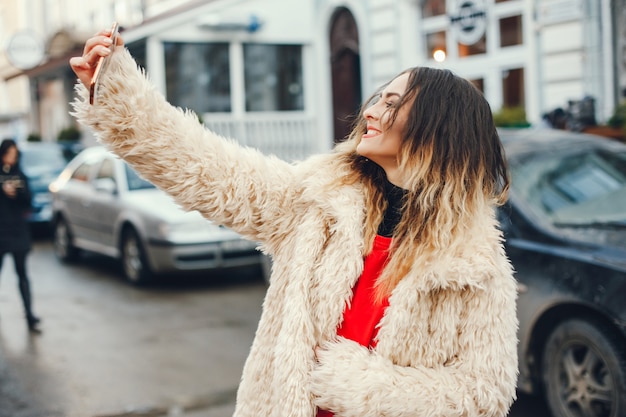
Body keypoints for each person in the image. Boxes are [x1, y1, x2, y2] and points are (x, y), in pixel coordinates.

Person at [70, 28, 518, 417]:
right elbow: (204, 168)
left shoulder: (474, 265)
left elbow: (484, 393)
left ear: (436, 129)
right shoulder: (317, 202)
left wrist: (365, 387)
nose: (372, 111)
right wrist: (115, 92)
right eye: (379, 97)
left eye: (393, 104)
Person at [0, 139, 41, 332]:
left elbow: (29, 202)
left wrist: (16, 193)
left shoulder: (20, 176)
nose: (11, 158)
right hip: (1, 233)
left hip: (17, 232)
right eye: (8, 154)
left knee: (23, 275)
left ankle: (29, 314)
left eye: (14, 155)